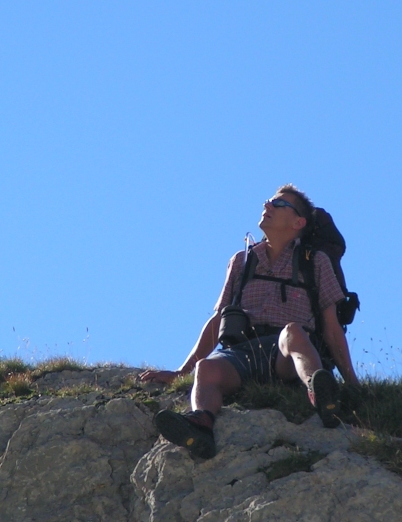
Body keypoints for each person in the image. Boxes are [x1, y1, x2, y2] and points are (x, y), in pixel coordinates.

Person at [139, 184, 361, 459]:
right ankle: (201, 425)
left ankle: (320, 393)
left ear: (298, 223)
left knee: (292, 332)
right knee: (207, 367)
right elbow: (219, 318)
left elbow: (331, 327)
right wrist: (182, 371)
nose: (267, 206)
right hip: (243, 352)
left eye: (279, 204)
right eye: (268, 201)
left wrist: (352, 383)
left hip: (287, 354)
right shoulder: (242, 261)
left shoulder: (315, 262)